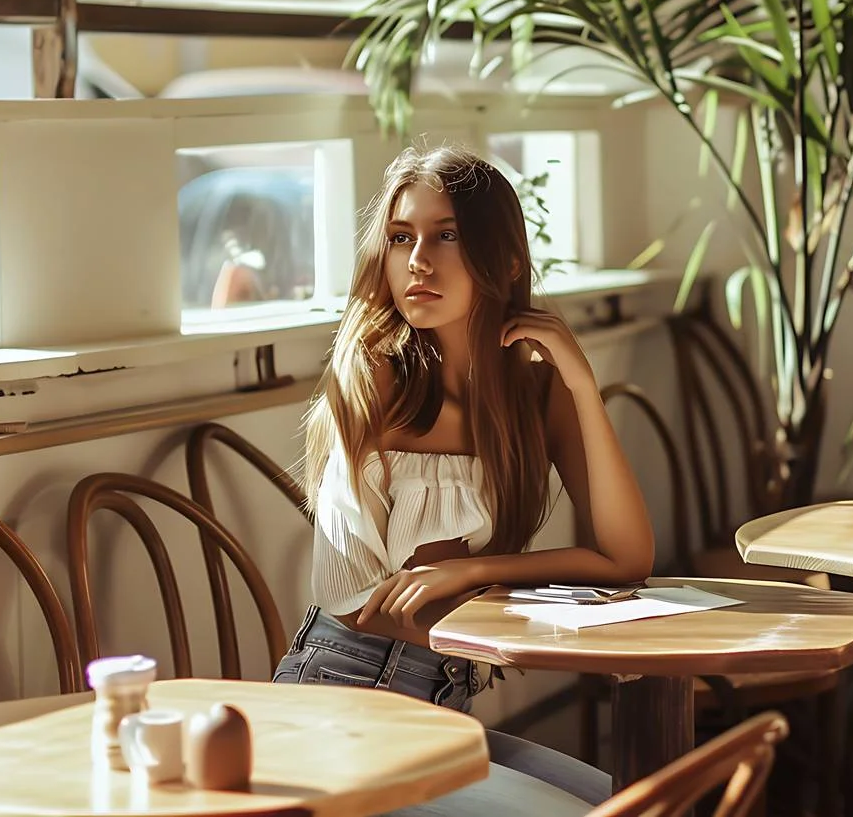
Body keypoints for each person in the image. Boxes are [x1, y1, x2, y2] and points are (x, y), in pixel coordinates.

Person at [271, 144, 655, 809]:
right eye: (401, 237)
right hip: (342, 702)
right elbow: (354, 596)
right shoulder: (373, 378)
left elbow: (627, 557)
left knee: (631, 802)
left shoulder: (538, 394)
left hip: (439, 707)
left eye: (445, 235)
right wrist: (506, 612)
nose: (417, 260)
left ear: (504, 261)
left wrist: (580, 383)